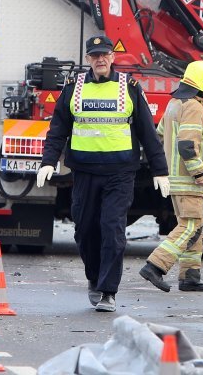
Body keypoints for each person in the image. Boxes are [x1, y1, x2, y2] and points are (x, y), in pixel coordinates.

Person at [36, 35, 168, 312]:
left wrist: (160, 170)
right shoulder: (74, 87)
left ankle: (108, 291)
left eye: (104, 54)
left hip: (120, 174)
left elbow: (147, 130)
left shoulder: (129, 87)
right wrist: (48, 162)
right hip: (84, 173)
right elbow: (58, 127)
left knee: (112, 230)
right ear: (88, 60)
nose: (100, 59)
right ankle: (94, 278)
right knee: (84, 231)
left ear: (112, 57)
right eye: (95, 55)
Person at [139, 61, 203, 294]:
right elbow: (187, 146)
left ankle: (190, 276)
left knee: (197, 226)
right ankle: (155, 265)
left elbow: (160, 134)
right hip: (189, 180)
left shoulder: (175, 103)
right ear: (202, 84)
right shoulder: (194, 107)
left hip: (175, 179)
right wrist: (199, 173)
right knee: (191, 224)